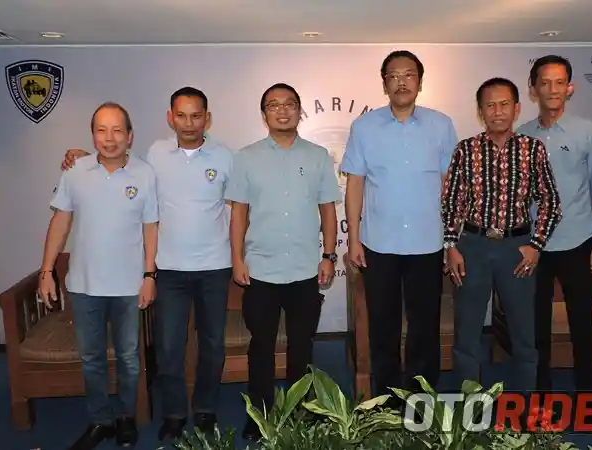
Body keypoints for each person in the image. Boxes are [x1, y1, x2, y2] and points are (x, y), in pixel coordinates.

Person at [60, 87, 234, 442]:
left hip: (215, 266)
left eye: (196, 115)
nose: (188, 123)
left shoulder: (226, 157)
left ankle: (205, 409)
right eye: (181, 115)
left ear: (207, 118)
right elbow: (119, 161)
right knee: (168, 347)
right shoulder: (155, 154)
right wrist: (82, 158)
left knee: (213, 345)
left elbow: (239, 208)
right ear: (170, 118)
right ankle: (173, 414)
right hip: (168, 268)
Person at [38, 102, 159, 450]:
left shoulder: (144, 174)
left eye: (117, 130)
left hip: (128, 286)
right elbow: (60, 222)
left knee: (129, 359)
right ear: (92, 136)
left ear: (129, 136)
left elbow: (151, 227)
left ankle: (126, 418)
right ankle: (100, 420)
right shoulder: (76, 170)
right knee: (91, 359)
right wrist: (46, 271)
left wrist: (149, 274)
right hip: (84, 285)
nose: (109, 138)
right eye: (101, 130)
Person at [225, 82, 340, 441]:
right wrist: (237, 259)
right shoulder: (246, 157)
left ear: (299, 110)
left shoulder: (318, 156)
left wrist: (329, 255)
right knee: (261, 345)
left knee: (302, 345)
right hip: (261, 268)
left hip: (305, 268)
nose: (282, 110)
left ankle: (300, 409)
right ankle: (259, 413)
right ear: (264, 114)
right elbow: (239, 214)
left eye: (289, 104)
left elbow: (328, 210)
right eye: (274, 105)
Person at [340, 50, 458, 398]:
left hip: (428, 242)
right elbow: (355, 184)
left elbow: (450, 185)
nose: (401, 82)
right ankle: (387, 398)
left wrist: (451, 240)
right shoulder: (364, 127)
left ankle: (421, 395)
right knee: (383, 325)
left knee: (425, 325)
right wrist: (354, 239)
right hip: (379, 243)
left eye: (408, 75)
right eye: (393, 76)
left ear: (420, 82)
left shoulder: (441, 125)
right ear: (384, 83)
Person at [442, 78, 561, 393]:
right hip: (472, 248)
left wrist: (536, 246)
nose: (498, 111)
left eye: (504, 104)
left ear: (517, 108)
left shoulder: (532, 149)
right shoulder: (465, 149)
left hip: (517, 250)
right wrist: (451, 246)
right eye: (490, 105)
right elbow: (452, 202)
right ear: (481, 111)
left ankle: (523, 407)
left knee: (524, 336)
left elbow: (551, 202)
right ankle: (470, 408)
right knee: (467, 336)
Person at [517, 55, 592, 392]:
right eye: (545, 83)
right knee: (536, 326)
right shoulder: (522, 136)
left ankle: (587, 394)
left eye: (559, 82)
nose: (552, 89)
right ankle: (541, 395)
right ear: (533, 90)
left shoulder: (587, 131)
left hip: (578, 241)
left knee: (582, 324)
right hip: (534, 248)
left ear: (570, 88)